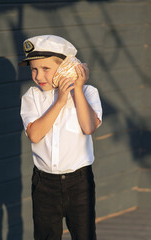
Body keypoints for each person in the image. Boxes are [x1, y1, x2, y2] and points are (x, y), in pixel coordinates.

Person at [19, 35, 102, 240]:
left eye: (46, 68)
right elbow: (35, 135)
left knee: (84, 236)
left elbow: (89, 127)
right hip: (44, 183)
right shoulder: (32, 97)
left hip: (79, 182)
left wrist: (78, 90)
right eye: (34, 69)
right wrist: (59, 102)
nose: (39, 76)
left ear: (66, 67)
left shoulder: (89, 93)